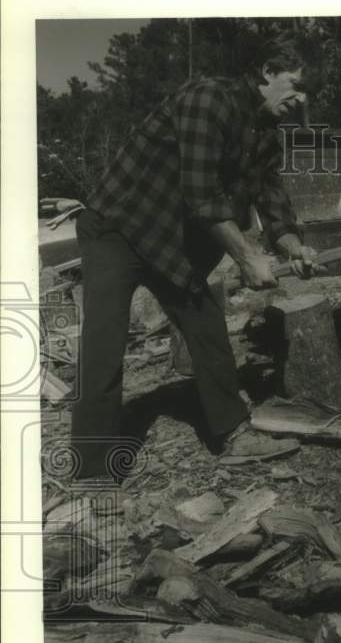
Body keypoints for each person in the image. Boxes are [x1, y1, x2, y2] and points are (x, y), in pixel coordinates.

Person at [69, 36, 317, 484]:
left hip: (171, 242)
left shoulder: (264, 133)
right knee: (104, 343)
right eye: (295, 86)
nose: (300, 100)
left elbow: (272, 196)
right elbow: (202, 196)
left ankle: (232, 433)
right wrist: (246, 257)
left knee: (206, 327)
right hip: (118, 228)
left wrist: (292, 244)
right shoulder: (208, 100)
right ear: (266, 72)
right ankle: (90, 469)